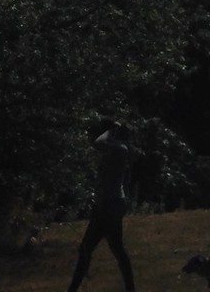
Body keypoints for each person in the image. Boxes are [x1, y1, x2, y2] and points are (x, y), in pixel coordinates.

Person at [66, 121, 135, 292]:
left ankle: (72, 289)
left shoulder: (120, 149)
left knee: (86, 248)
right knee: (117, 249)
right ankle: (131, 288)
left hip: (108, 205)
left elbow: (98, 142)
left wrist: (109, 130)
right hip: (112, 204)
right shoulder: (120, 150)